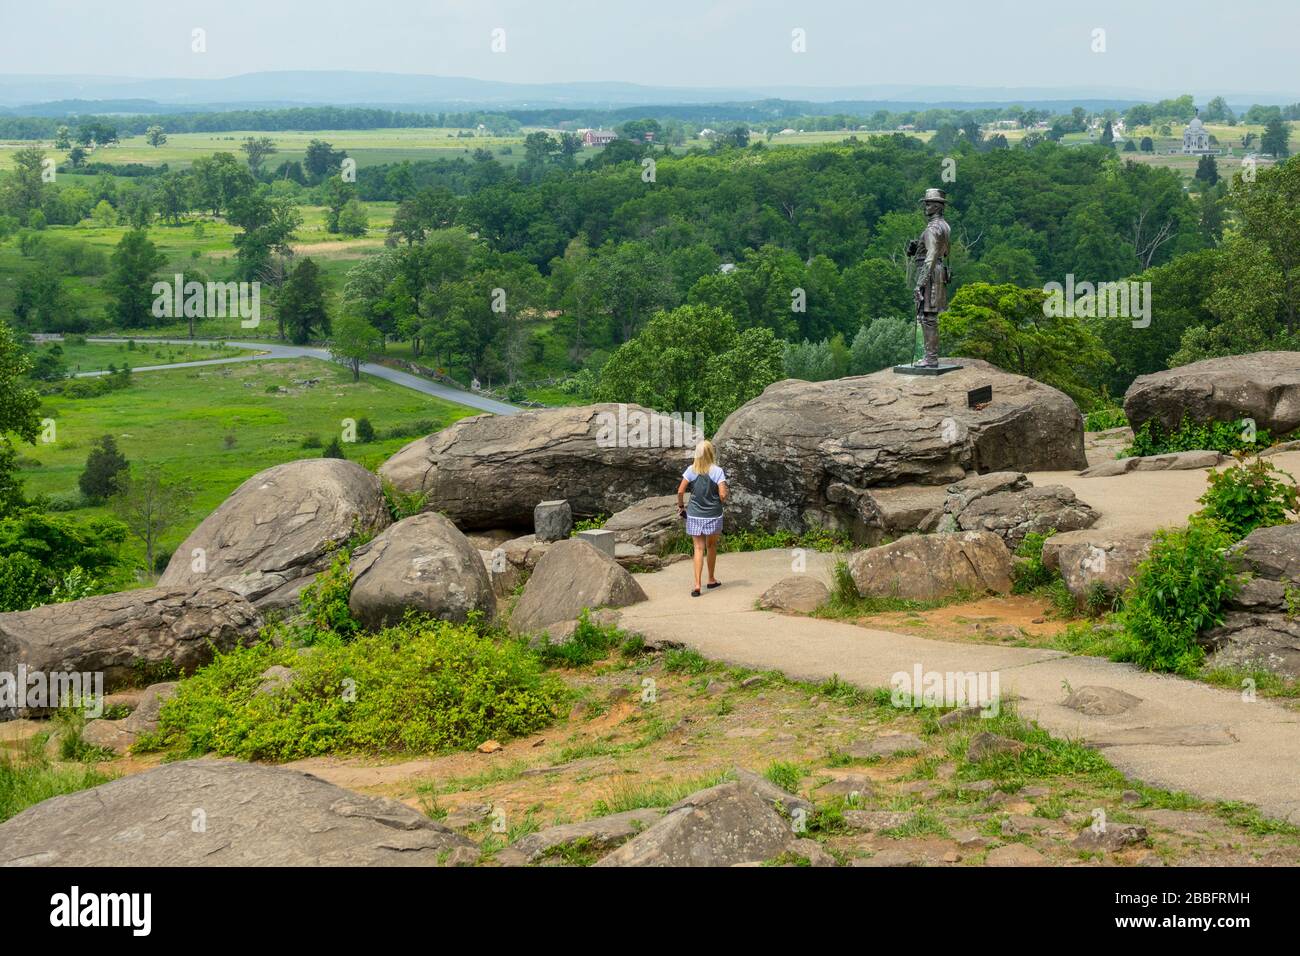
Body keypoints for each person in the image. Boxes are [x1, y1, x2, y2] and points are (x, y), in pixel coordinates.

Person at [677, 439, 728, 597]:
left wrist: (681, 507)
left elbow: (680, 491)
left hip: (694, 515)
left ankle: (697, 585)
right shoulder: (717, 471)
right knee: (711, 547)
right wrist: (719, 499)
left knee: (698, 548)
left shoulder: (691, 470)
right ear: (711, 453)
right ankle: (711, 579)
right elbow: (722, 494)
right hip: (713, 514)